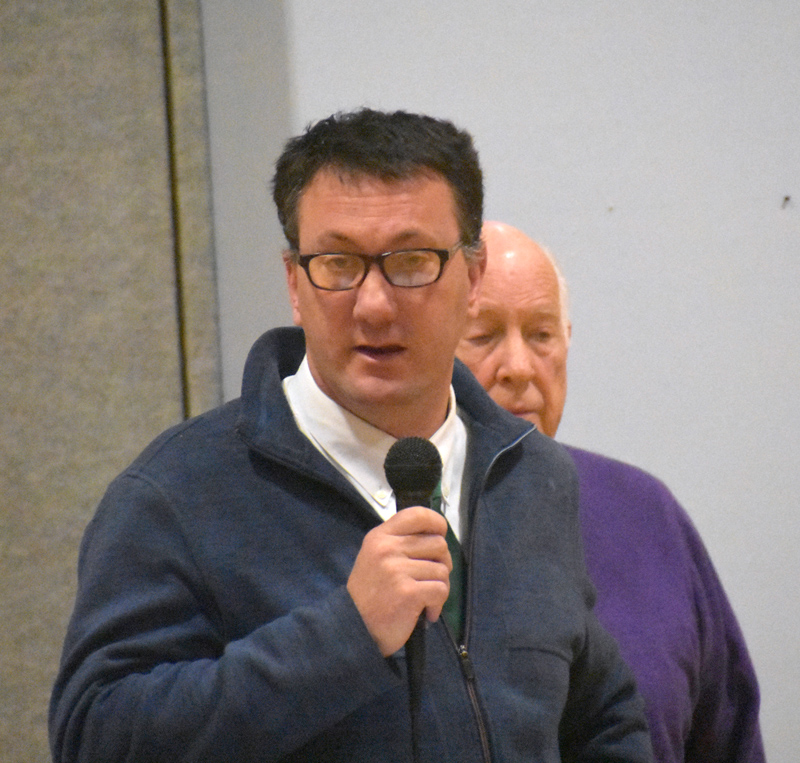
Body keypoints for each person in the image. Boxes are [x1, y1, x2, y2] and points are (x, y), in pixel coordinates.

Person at [49, 109, 653, 762]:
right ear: (293, 283)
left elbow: (601, 715)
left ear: (472, 278)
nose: (372, 304)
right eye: (337, 264)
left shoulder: (531, 473)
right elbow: (95, 735)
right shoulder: (179, 493)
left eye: (412, 260)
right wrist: (346, 633)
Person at [457, 221, 765, 763]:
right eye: (483, 336)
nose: (520, 368)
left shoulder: (646, 513)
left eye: (541, 334)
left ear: (568, 340)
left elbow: (729, 740)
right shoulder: (398, 521)